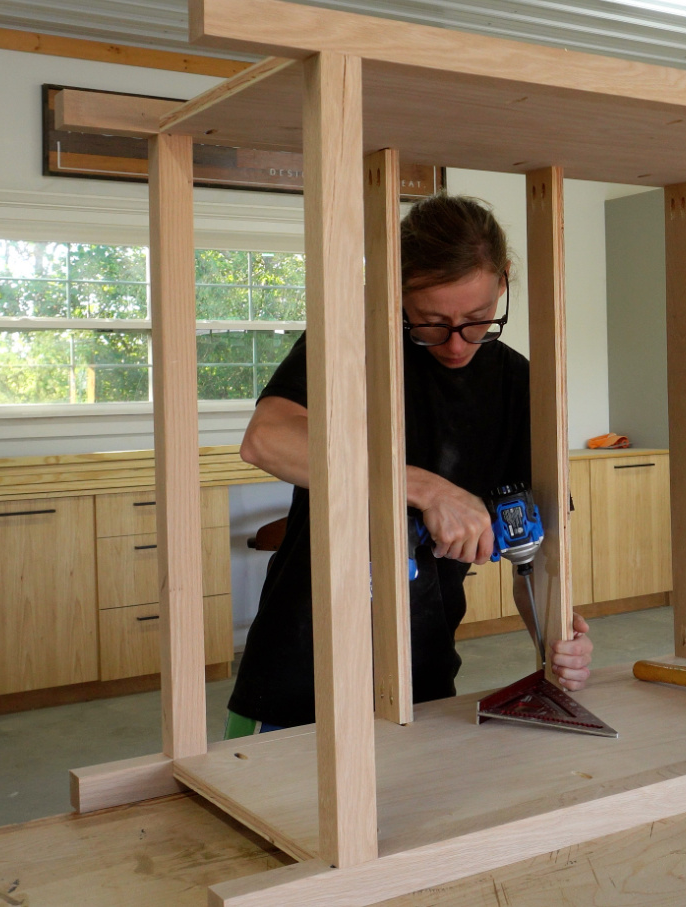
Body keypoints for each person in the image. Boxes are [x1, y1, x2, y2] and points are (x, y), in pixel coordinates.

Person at [225, 193, 593, 736]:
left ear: (504, 282)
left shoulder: (517, 385)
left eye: (477, 320)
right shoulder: (356, 344)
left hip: (422, 670)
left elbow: (533, 554)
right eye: (430, 322)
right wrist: (425, 488)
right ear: (396, 293)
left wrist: (559, 637)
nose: (455, 343)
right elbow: (265, 440)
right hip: (301, 670)